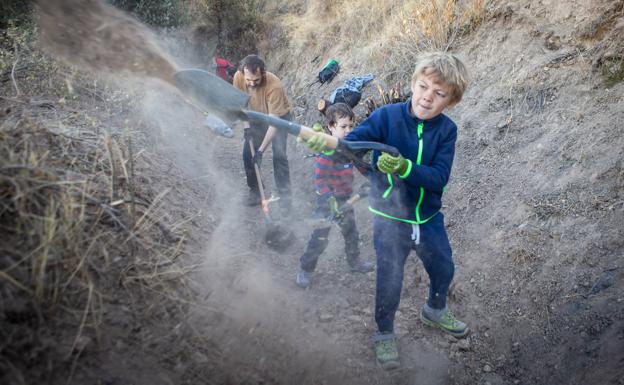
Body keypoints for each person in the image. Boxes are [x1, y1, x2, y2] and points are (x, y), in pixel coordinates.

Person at [305, 52, 470, 370]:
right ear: (413, 84)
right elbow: (350, 146)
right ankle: (384, 333)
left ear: (451, 101)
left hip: (427, 217)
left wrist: (406, 167)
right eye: (423, 87)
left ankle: (435, 310)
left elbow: (439, 178)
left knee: (444, 269)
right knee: (389, 280)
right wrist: (327, 146)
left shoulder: (446, 131)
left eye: (439, 94)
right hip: (390, 219)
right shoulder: (387, 118)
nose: (427, 97)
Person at [296, 103, 375, 289]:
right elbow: (320, 180)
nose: (348, 130)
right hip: (327, 202)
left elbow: (362, 166)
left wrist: (375, 178)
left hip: (346, 199)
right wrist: (328, 199)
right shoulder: (327, 153)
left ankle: (354, 262)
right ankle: (305, 269)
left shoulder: (349, 149)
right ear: (331, 127)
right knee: (320, 238)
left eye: (350, 126)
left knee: (351, 232)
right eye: (343, 127)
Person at [232, 54, 292, 212]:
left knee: (279, 156)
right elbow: (241, 105)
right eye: (248, 80)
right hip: (256, 116)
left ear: (263, 73)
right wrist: (247, 127)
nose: (252, 84)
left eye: (256, 80)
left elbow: (274, 123)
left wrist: (260, 151)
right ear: (243, 74)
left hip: (279, 117)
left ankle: (285, 197)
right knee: (247, 155)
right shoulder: (238, 77)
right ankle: (256, 190)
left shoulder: (274, 86)